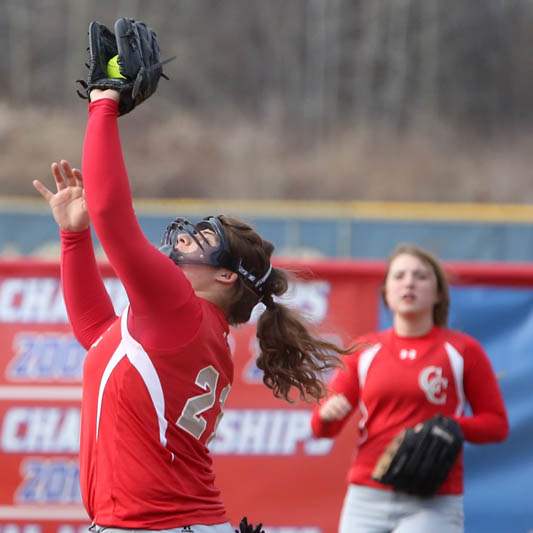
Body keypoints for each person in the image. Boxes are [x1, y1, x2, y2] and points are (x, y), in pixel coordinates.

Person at [32, 92, 350, 529]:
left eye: (202, 238)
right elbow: (95, 330)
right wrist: (73, 236)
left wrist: (102, 104)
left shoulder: (181, 312)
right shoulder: (187, 323)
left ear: (226, 277)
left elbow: (112, 215)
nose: (184, 239)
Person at [310, 244, 509, 533]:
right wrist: (327, 414)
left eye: (421, 276)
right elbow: (321, 429)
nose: (409, 282)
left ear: (439, 293)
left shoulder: (462, 350)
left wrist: (451, 426)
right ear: (386, 293)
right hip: (367, 495)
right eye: (399, 275)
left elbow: (497, 424)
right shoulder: (364, 352)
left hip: (433, 499)